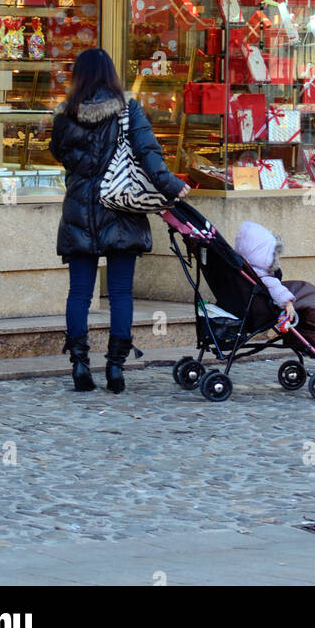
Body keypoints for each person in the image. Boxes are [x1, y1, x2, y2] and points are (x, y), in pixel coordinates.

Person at [50, 48, 189, 393]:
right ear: (111, 74)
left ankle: (80, 364)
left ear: (79, 75)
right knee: (121, 292)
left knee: (79, 292)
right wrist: (171, 186)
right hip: (122, 209)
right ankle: (115, 368)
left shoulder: (66, 113)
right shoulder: (128, 109)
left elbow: (57, 152)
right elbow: (148, 151)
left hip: (80, 209)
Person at [235, 220, 315, 357]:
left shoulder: (245, 270)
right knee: (313, 300)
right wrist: (288, 303)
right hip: (260, 310)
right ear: (263, 255)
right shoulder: (263, 276)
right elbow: (277, 290)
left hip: (247, 306)